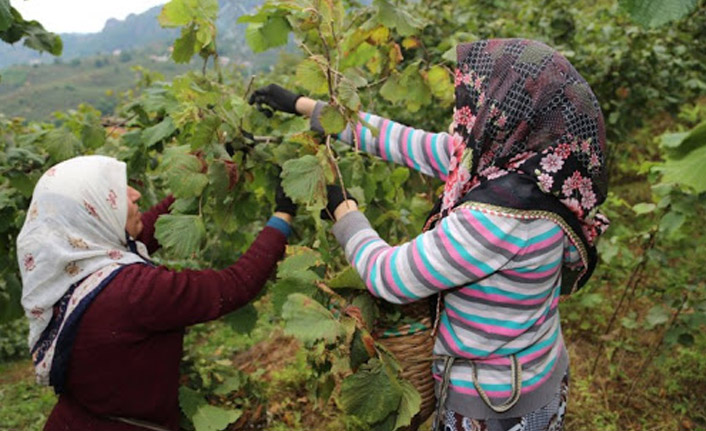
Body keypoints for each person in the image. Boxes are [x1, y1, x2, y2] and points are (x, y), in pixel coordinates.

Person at [250, 38, 609, 430]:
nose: (476, 105)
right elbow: (406, 143)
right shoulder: (538, 171)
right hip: (538, 371)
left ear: (508, 111)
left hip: (495, 405)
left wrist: (343, 212)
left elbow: (392, 277)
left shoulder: (500, 219)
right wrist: (305, 106)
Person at [17, 155, 297, 430]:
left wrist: (201, 176)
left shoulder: (71, 264)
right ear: (95, 212)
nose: (136, 194)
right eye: (116, 193)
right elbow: (235, 284)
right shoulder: (134, 292)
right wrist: (282, 216)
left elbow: (145, 233)